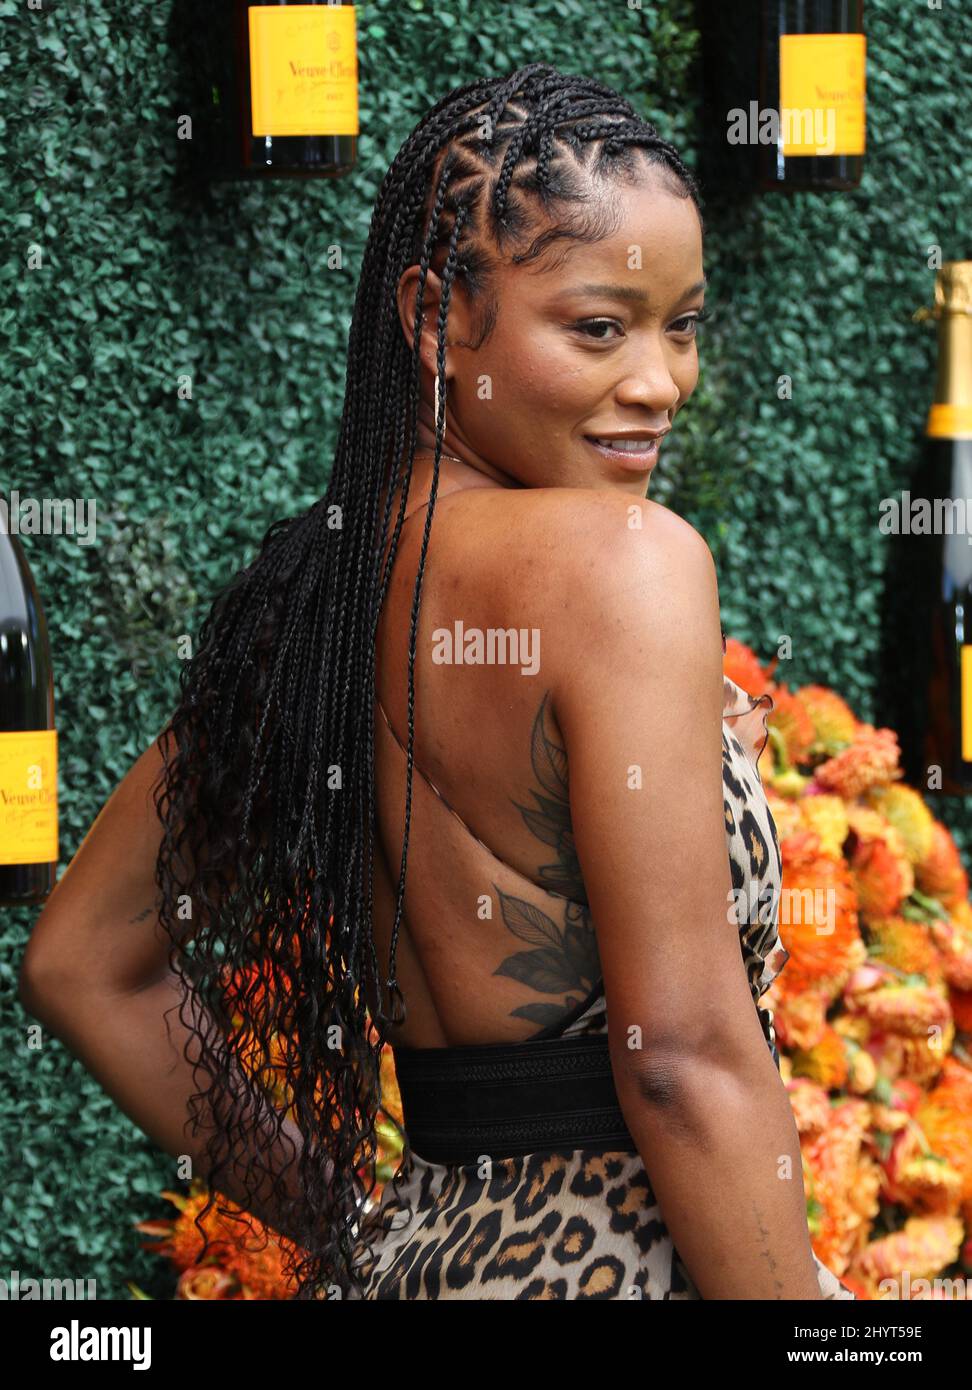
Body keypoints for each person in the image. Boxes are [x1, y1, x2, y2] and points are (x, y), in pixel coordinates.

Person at [19, 63, 857, 1302]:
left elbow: (80, 964)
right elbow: (679, 1059)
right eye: (597, 327)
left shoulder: (314, 602)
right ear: (434, 317)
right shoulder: (628, 566)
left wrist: (352, 1221)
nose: (659, 382)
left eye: (680, 324)